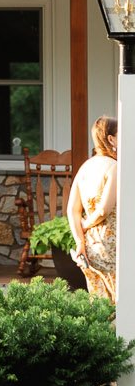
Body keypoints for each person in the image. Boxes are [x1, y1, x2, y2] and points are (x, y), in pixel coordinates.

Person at [67, 115, 119, 302]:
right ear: (111, 139)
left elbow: (72, 210)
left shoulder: (85, 167)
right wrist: (88, 224)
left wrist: (80, 241)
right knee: (120, 304)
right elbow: (104, 210)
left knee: (99, 305)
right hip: (112, 246)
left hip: (89, 247)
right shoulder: (114, 167)